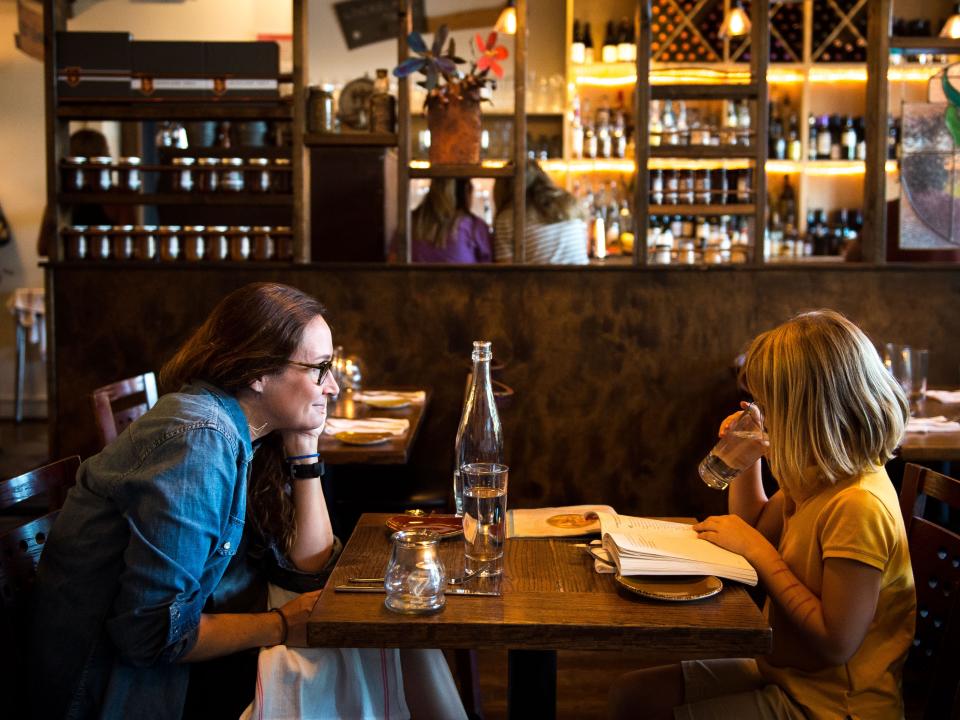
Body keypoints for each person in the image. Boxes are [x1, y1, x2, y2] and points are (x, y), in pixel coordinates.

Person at [31, 282, 465, 720]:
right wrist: (280, 626)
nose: (332, 386)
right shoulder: (199, 441)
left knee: (389, 634)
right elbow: (151, 635)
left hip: (181, 658)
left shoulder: (242, 431)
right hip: (131, 689)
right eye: (319, 368)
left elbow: (306, 569)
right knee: (372, 646)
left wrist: (305, 450)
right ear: (257, 371)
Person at [609, 309, 915, 720]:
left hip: (832, 707)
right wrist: (745, 457)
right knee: (632, 696)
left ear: (810, 415)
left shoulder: (858, 504)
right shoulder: (817, 477)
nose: (759, 417)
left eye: (768, 407)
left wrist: (758, 553)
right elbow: (753, 526)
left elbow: (835, 642)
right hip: (783, 674)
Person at [493, 159, 588, 264]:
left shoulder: (508, 219)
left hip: (543, 280)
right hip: (583, 279)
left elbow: (505, 273)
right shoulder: (567, 204)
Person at [411, 178, 492, 263]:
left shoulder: (410, 221)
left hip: (411, 276)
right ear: (466, 190)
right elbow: (489, 269)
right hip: (465, 276)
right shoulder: (474, 226)